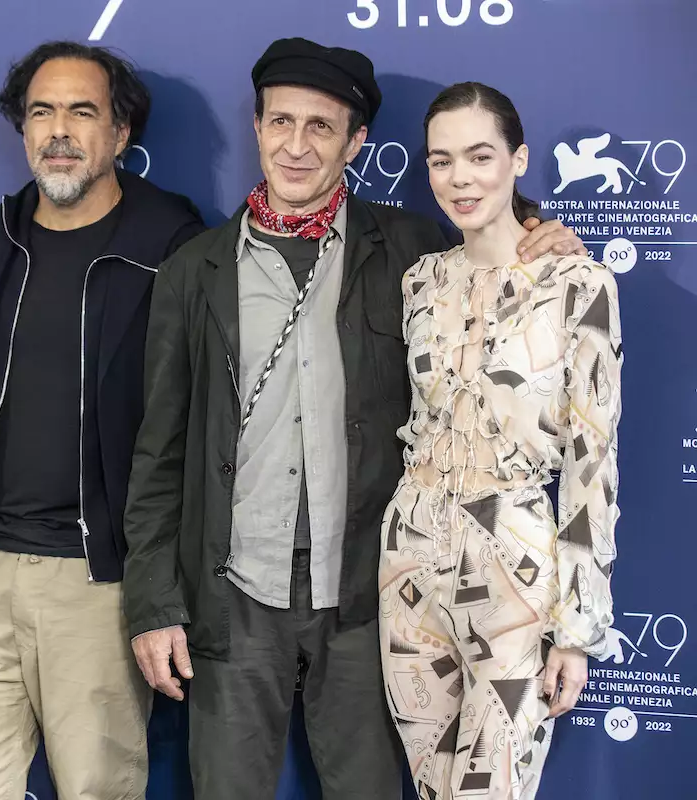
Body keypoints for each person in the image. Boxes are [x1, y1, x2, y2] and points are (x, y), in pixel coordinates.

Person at [121, 38, 587, 799]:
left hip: (374, 596)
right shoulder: (193, 271)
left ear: (356, 141)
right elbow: (159, 453)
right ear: (257, 126)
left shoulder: (410, 250)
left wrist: (540, 231)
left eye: (321, 127)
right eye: (281, 122)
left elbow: (489, 256)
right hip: (234, 594)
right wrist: (152, 604)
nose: (296, 146)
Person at [0, 41, 204, 799]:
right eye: (42, 112)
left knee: (95, 789)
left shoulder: (171, 242)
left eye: (82, 112)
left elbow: (188, 419)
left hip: (96, 582)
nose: (59, 131)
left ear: (120, 132)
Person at [379, 82, 622, 800]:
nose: (460, 178)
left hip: (513, 562)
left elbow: (592, 463)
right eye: (442, 160)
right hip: (409, 558)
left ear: (518, 160)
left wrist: (576, 628)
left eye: (480, 156)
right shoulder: (421, 282)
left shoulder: (580, 283)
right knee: (432, 788)